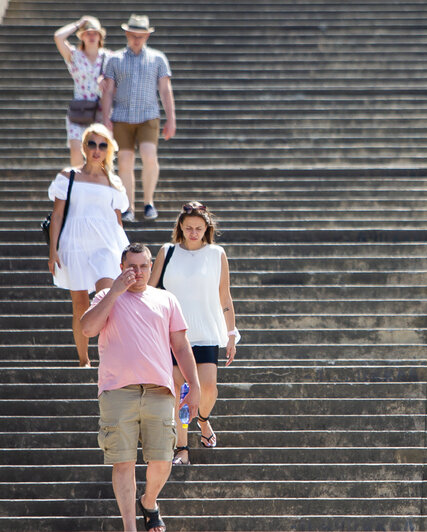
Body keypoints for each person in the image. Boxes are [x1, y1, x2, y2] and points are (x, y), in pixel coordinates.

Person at [80, 242, 201, 532]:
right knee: (123, 462)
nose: (138, 271)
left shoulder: (166, 299)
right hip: (117, 391)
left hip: (159, 390)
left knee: (162, 460)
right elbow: (87, 328)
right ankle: (129, 528)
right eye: (131, 266)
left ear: (151, 267)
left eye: (143, 266)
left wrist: (194, 385)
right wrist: (115, 292)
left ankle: (148, 502)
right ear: (121, 268)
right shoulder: (105, 296)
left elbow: (181, 346)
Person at [149, 201, 239, 465]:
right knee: (181, 391)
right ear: (180, 226)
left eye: (199, 228)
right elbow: (151, 291)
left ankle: (203, 420)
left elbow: (225, 295)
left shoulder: (216, 254)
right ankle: (182, 448)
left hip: (207, 332)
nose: (193, 232)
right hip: (175, 333)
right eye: (188, 227)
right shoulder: (167, 252)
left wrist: (231, 333)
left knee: (208, 388)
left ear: (206, 227)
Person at [47, 123, 129, 367]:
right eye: (92, 144)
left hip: (105, 246)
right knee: (80, 305)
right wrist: (52, 250)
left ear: (108, 150)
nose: (97, 149)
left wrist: (124, 256)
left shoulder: (114, 182)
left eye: (102, 145)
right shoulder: (67, 176)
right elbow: (58, 215)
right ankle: (84, 360)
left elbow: (118, 222)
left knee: (107, 298)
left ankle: (110, 357)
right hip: (74, 244)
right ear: (83, 146)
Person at [100, 14, 176, 223]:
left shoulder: (157, 58)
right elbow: (108, 91)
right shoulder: (114, 59)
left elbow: (165, 89)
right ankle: (129, 206)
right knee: (124, 161)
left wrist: (171, 119)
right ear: (127, 34)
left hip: (148, 114)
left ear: (147, 36)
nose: (136, 39)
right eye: (133, 35)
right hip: (122, 115)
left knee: (149, 155)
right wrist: (106, 118)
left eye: (140, 36)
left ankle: (149, 202)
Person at [54, 16, 109, 167]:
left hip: (99, 111)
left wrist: (105, 80)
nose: (91, 37)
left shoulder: (109, 57)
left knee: (98, 154)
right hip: (79, 111)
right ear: (82, 36)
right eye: (87, 33)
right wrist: (78, 24)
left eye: (95, 33)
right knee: (76, 150)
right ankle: (77, 186)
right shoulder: (75, 56)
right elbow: (58, 37)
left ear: (100, 36)